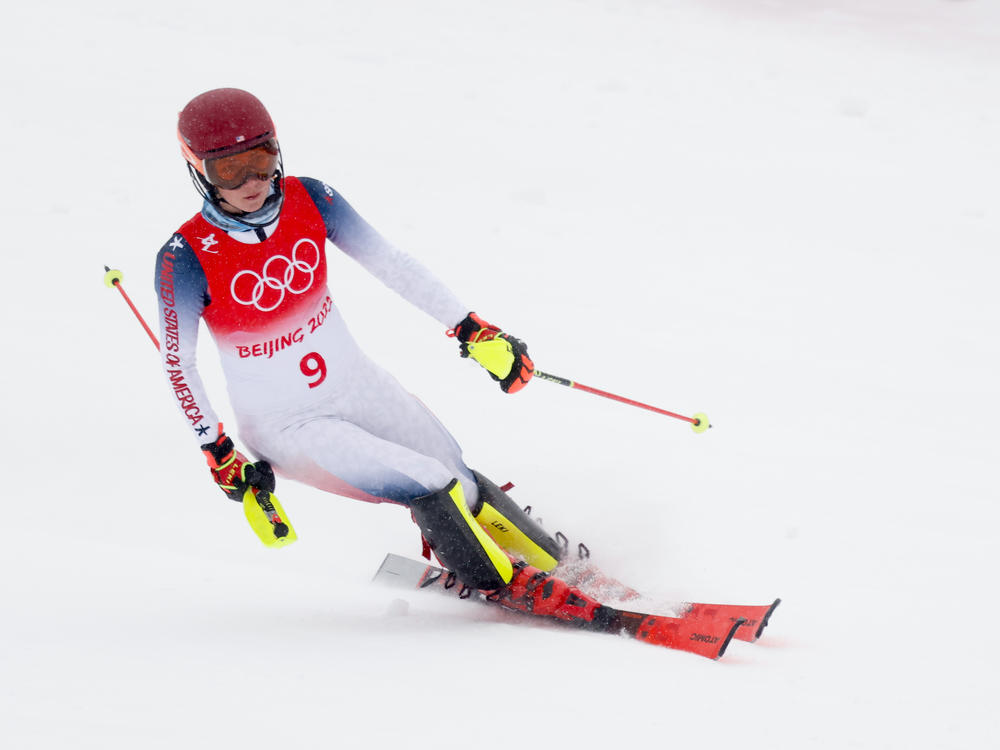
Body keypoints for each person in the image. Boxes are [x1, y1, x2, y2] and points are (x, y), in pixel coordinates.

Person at [156, 88, 606, 623]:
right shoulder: (184, 257)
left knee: (454, 474)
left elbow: (390, 262)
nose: (252, 183)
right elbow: (178, 366)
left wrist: (471, 328)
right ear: (199, 170)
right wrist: (217, 449)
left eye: (261, 160)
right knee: (427, 482)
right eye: (230, 170)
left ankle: (554, 563)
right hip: (288, 424)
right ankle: (501, 583)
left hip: (355, 383)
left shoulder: (312, 198)